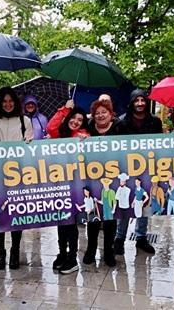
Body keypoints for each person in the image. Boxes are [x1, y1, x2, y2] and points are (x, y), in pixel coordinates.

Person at [0, 87, 33, 270]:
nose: (8, 104)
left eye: (11, 101)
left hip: (18, 176)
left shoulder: (25, 120)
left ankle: (15, 249)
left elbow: (31, 144)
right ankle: (0, 251)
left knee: (17, 213)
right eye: (4, 101)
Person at [113, 89, 161, 256]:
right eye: (136, 100)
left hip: (147, 168)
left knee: (143, 202)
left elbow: (160, 144)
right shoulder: (121, 122)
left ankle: (141, 237)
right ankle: (119, 237)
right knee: (125, 202)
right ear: (132, 103)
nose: (140, 103)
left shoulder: (155, 122)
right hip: (126, 168)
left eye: (142, 100)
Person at [46, 101, 90, 274]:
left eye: (80, 120)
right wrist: (65, 109)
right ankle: (62, 253)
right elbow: (51, 126)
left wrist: (84, 139)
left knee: (70, 223)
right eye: (74, 118)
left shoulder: (82, 135)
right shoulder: (60, 134)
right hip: (58, 185)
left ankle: (72, 257)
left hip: (75, 188)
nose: (76, 122)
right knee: (61, 221)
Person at [83, 98, 119, 266]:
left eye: (104, 112)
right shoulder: (88, 128)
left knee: (111, 217)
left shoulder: (120, 128)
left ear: (110, 114)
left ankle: (109, 251)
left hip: (114, 177)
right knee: (94, 217)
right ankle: (91, 249)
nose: (100, 115)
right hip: (92, 177)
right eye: (97, 113)